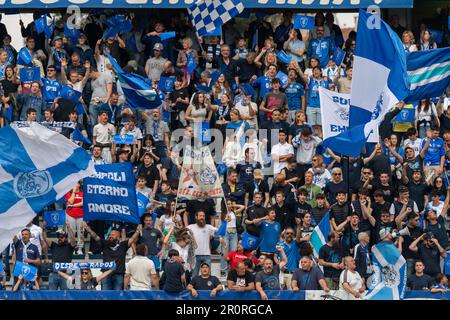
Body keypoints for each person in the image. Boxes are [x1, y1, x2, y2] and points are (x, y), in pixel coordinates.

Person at [83, 222, 142, 290]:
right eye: (110, 235)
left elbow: (132, 239)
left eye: (113, 235)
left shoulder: (123, 245)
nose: (110, 236)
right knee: (105, 296)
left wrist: (138, 230)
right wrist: (87, 228)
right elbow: (95, 236)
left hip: (119, 274)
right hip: (105, 274)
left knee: (117, 296)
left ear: (118, 236)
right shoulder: (104, 243)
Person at [42, 222, 76, 290]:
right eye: (58, 237)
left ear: (66, 238)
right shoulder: (54, 245)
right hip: (54, 274)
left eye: (62, 237)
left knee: (65, 295)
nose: (59, 238)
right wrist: (43, 229)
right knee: (52, 296)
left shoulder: (69, 246)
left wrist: (69, 228)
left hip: (65, 274)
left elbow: (73, 239)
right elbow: (45, 238)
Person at [187, 210, 218, 277]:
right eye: (200, 216)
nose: (202, 217)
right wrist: (175, 222)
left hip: (206, 255)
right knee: (194, 276)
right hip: (194, 256)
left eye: (203, 216)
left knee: (207, 276)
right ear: (196, 217)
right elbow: (180, 233)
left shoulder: (209, 227)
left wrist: (225, 222)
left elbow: (218, 232)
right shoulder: (190, 227)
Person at [65, 181, 84, 255]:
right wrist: (73, 192)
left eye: (75, 183)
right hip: (70, 215)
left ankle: (79, 248)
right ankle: (72, 248)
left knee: (81, 232)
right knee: (71, 232)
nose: (74, 185)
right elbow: (70, 202)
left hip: (81, 215)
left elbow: (83, 203)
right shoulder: (69, 193)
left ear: (79, 185)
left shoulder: (82, 193)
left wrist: (72, 206)